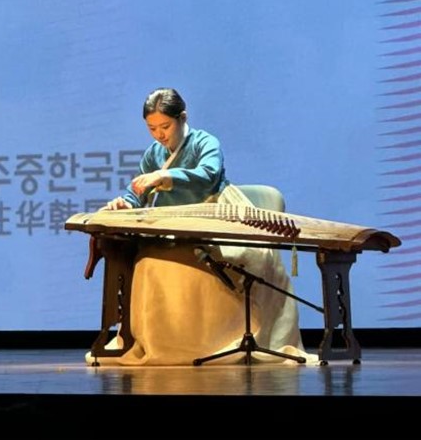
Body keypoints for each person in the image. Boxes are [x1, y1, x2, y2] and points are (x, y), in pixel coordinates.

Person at [86, 87, 315, 366]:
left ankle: (209, 343)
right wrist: (125, 202)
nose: (159, 135)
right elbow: (138, 191)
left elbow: (207, 176)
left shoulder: (205, 142)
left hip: (214, 216)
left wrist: (165, 176)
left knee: (208, 264)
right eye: (152, 128)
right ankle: (164, 344)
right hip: (173, 226)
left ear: (183, 118)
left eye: (165, 126)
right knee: (148, 262)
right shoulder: (153, 154)